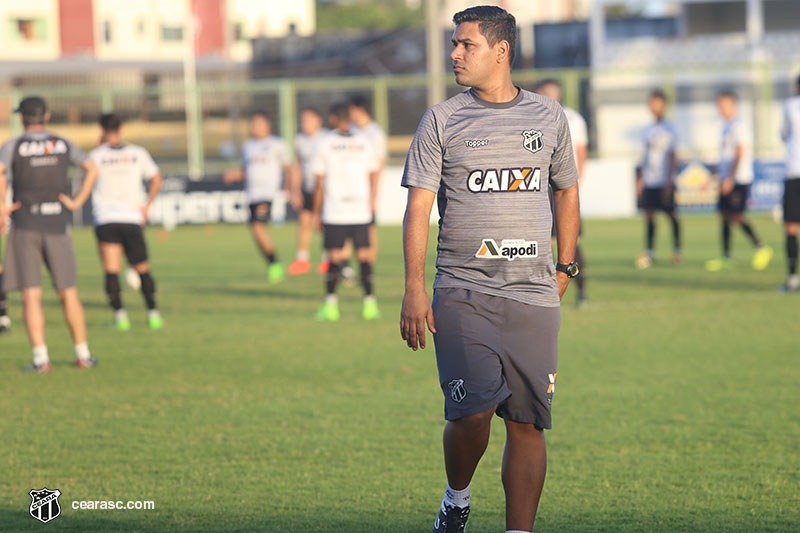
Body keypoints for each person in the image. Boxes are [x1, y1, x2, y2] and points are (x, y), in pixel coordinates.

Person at [399, 6, 580, 533]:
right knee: (472, 412)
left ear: (501, 50)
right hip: (463, 290)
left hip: (534, 296)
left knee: (528, 425)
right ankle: (457, 498)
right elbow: (418, 209)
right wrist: (414, 287)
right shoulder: (442, 120)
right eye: (454, 44)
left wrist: (565, 265)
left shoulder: (548, 117)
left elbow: (566, 189)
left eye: (466, 45)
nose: (455, 54)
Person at [0, 96, 99, 372]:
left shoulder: (14, 145)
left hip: (25, 224)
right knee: (69, 292)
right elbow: (92, 168)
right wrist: (77, 202)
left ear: (21, 118)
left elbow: (0, 172)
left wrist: (2, 207)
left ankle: (41, 358)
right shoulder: (62, 143)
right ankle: (83, 353)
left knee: (31, 295)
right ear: (47, 116)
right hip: (57, 224)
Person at [88, 113, 164, 330]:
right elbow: (156, 179)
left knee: (111, 271)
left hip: (106, 218)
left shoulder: (96, 155)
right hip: (131, 218)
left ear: (101, 130)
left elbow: (86, 177)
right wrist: (147, 204)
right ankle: (153, 313)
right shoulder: (137, 153)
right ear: (121, 128)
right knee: (143, 270)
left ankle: (120, 316)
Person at [311, 103, 380, 321]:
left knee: (333, 256)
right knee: (364, 256)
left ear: (332, 119)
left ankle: (331, 306)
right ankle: (370, 305)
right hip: (359, 209)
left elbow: (319, 182)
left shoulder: (325, 143)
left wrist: (316, 212)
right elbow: (373, 172)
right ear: (349, 118)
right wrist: (371, 199)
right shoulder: (363, 142)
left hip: (334, 210)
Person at [705, 91, 773, 272]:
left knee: (736, 215)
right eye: (719, 105)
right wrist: (719, 173)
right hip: (727, 177)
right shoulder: (726, 127)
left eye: (723, 104)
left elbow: (740, 151)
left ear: (732, 105)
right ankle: (726, 255)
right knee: (724, 215)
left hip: (738, 178)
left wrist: (730, 177)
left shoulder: (739, 125)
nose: (720, 108)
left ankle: (761, 247)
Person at [535, 79, 588, 306]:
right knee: (557, 243)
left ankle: (578, 290)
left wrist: (574, 185)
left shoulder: (569, 118)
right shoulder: (537, 116)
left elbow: (580, 151)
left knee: (565, 243)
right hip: (551, 188)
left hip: (558, 188)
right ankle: (577, 293)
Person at [224, 111, 291, 284]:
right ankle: (272, 262)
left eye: (258, 124)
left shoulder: (277, 144)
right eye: (253, 124)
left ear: (267, 125)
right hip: (251, 195)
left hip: (267, 194)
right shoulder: (248, 146)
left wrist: (289, 187)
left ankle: (275, 264)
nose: (254, 127)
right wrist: (233, 175)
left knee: (257, 227)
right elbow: (244, 171)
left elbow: (288, 167)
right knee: (256, 231)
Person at [634, 90, 681, 268]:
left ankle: (677, 250)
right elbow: (645, 156)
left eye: (655, 103)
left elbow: (673, 155)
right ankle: (650, 252)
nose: (652, 106)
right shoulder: (647, 129)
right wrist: (640, 179)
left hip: (665, 180)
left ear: (664, 104)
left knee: (671, 214)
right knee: (649, 215)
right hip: (650, 179)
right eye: (650, 103)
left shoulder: (670, 129)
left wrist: (670, 180)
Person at [288, 107, 328, 276]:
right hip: (308, 187)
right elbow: (297, 166)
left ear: (318, 121)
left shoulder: (327, 138)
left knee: (325, 224)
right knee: (304, 221)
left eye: (309, 120)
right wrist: (295, 191)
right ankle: (302, 259)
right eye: (303, 120)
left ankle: (328, 259)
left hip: (325, 189)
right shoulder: (300, 140)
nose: (305, 124)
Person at [350, 95, 387, 264]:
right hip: (350, 185)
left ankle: (368, 266)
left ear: (360, 110)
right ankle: (346, 267)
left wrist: (373, 193)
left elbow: (379, 164)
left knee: (369, 228)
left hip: (367, 187)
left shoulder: (375, 133)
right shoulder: (351, 129)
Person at [778, 74, 800, 292]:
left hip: (795, 172)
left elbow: (783, 134)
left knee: (791, 227)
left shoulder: (791, 105)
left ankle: (793, 279)